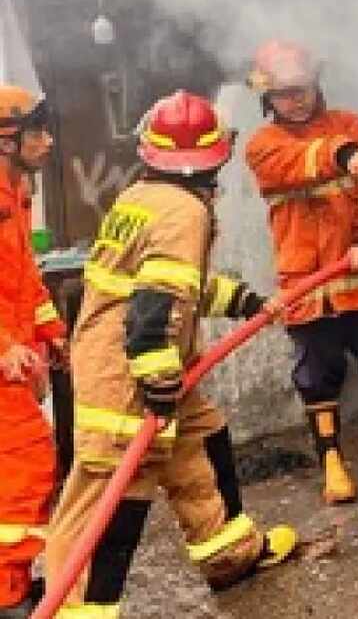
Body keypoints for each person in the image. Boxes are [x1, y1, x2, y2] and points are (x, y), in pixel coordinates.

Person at [46, 91, 297, 617]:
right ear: (215, 155)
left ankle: (229, 555)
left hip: (148, 362)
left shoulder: (143, 196)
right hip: (126, 374)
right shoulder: (184, 212)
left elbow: (176, 287)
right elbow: (152, 309)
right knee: (111, 495)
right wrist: (156, 384)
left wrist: (245, 302)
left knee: (201, 440)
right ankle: (76, 609)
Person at [245, 39, 358, 504]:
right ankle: (333, 463)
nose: (294, 101)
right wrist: (342, 155)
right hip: (309, 287)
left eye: (301, 90)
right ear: (267, 99)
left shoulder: (355, 126)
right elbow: (297, 164)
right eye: (282, 94)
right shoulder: (264, 146)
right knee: (318, 378)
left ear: (318, 85)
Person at [0, 84, 67, 616]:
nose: (47, 143)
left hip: (15, 363)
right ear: (6, 140)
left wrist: (51, 332)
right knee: (24, 472)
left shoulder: (13, 194)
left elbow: (22, 279)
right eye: (36, 133)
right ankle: (8, 599)